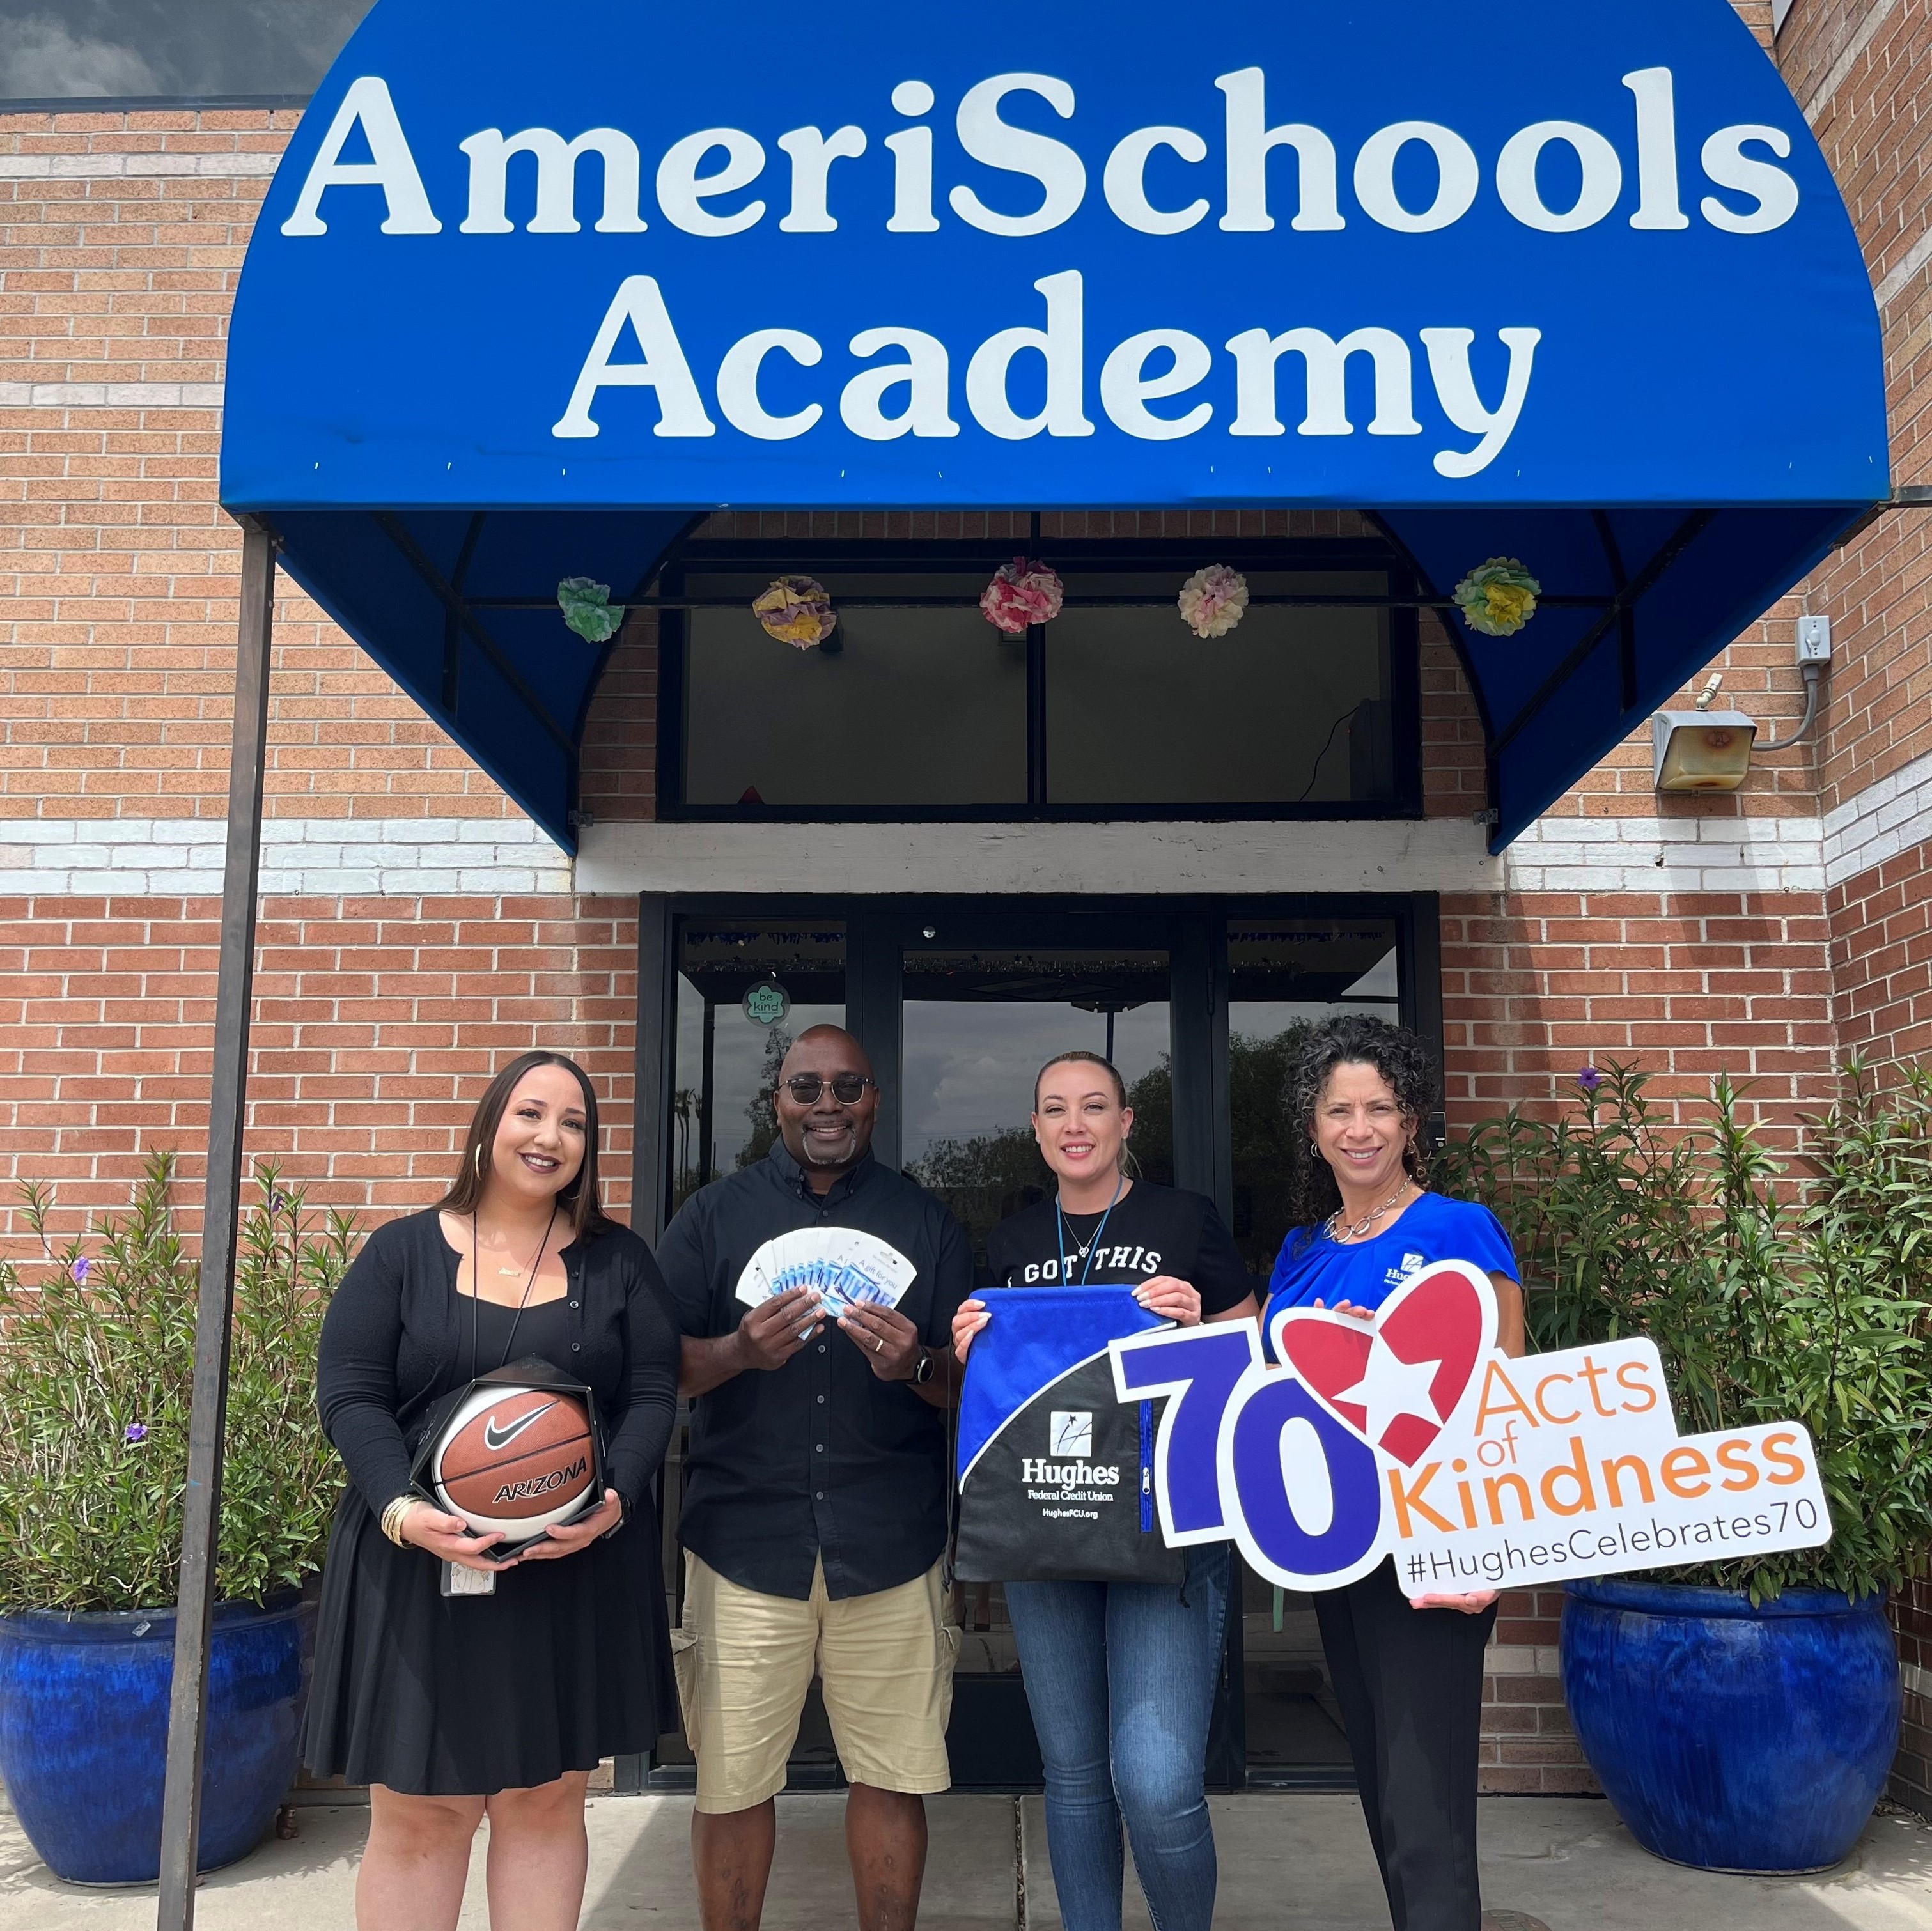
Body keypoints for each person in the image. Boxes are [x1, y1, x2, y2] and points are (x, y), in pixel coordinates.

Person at [304, 1050, 681, 1931]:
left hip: (568, 1565)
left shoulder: (617, 1259)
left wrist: (615, 1500)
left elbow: (655, 1394)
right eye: (530, 1113)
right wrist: (401, 1507)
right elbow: (349, 1391)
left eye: (574, 1122)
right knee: (423, 1809)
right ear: (489, 1126)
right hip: (419, 1566)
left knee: (547, 1800)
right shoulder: (404, 1251)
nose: (551, 1136)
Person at [655, 1023, 971, 1931]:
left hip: (889, 1540)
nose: (826, 1105)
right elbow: (657, 1365)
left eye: (846, 1087)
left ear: (874, 1099)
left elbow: (973, 1386)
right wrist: (736, 1350)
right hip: (744, 1542)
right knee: (731, 1780)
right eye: (806, 1087)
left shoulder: (924, 1221)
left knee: (893, 1772)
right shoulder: (712, 1217)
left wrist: (915, 1365)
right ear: (777, 1099)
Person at [951, 1050, 1257, 1931]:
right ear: (1037, 1129)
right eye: (1055, 1108)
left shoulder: (1182, 1218)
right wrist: (971, 1346)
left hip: (1167, 1524)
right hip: (1044, 1527)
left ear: (1127, 1123)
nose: (1074, 1123)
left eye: (1094, 1106)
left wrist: (1200, 1320)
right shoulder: (1011, 1243)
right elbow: (1001, 1396)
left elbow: (1250, 1353)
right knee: (1076, 1777)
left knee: (1156, 1783)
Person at [1263, 1014, 1527, 1931]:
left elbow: (1504, 1393)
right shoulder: (1301, 1251)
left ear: (1412, 1122)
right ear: (1313, 1128)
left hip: (1432, 1550)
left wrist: (1484, 1547)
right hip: (1337, 1551)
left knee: (1425, 1807)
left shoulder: (1460, 1227)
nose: (1360, 1126)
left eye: (1381, 1106)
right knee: (1379, 1786)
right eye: (1340, 1109)